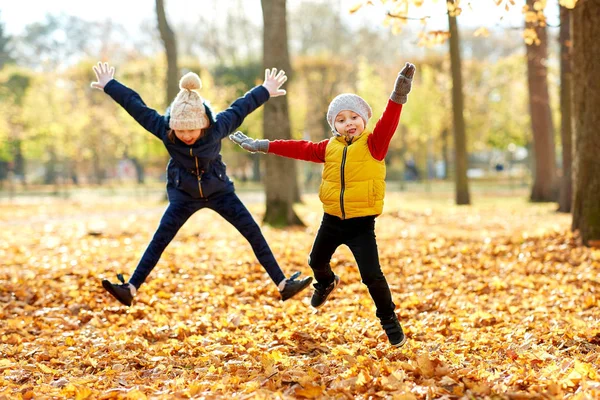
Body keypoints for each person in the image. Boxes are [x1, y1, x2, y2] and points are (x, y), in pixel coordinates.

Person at [90, 62, 312, 307]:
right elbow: (137, 107)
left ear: (203, 123)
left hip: (220, 192)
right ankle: (130, 288)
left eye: (191, 130)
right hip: (183, 194)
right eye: (180, 131)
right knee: (160, 239)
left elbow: (241, 107)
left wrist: (266, 89)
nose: (186, 136)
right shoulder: (165, 131)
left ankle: (283, 284)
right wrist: (110, 85)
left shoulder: (217, 128)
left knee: (253, 232)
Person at [229, 62, 416, 347]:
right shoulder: (328, 148)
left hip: (361, 224)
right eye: (341, 119)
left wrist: (398, 95)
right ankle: (326, 282)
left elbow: (389, 121)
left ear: (364, 119)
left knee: (372, 276)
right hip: (331, 220)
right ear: (334, 126)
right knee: (315, 261)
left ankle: (389, 321)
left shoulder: (374, 145)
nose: (348, 122)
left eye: (354, 116)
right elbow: (297, 147)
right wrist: (262, 144)